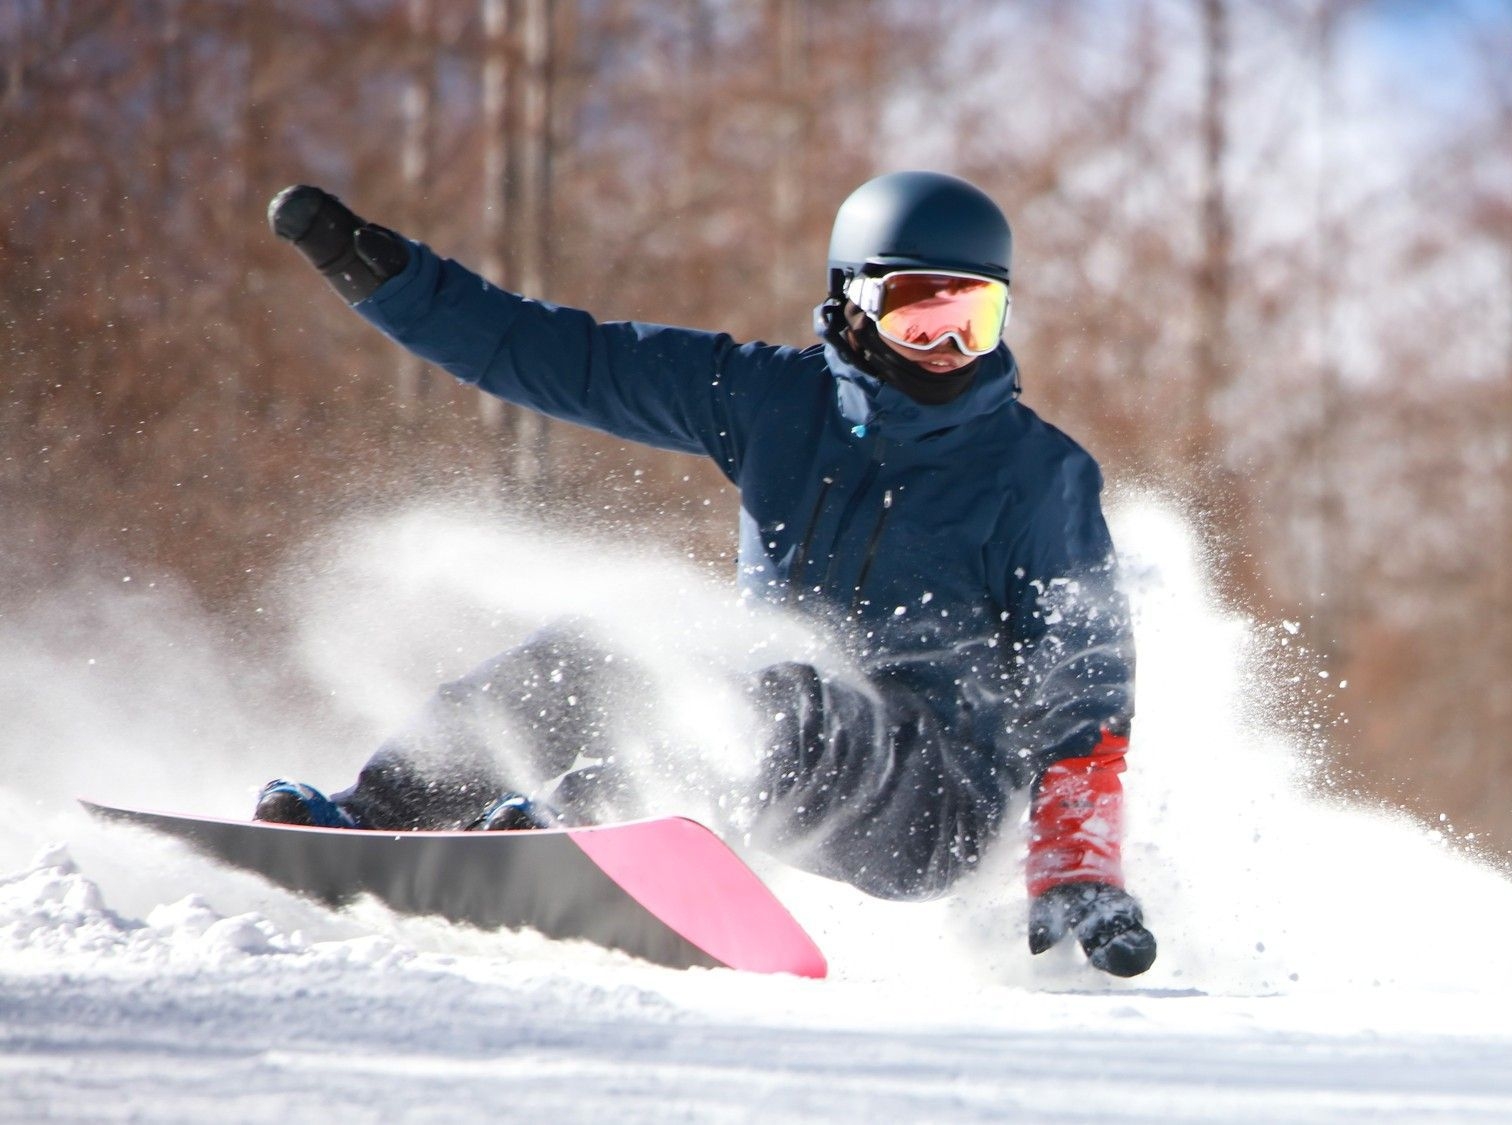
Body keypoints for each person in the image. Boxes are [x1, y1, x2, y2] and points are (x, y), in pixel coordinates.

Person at [254, 171, 1154, 977]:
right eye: (920, 313)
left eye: (976, 318)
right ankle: (381, 811)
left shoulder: (1036, 472)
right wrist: (389, 280)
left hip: (934, 800)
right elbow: (566, 358)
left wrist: (1077, 863)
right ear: (853, 297)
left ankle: (593, 829)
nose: (948, 345)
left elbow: (1084, 676)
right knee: (606, 646)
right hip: (771, 732)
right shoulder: (776, 400)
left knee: (785, 704)